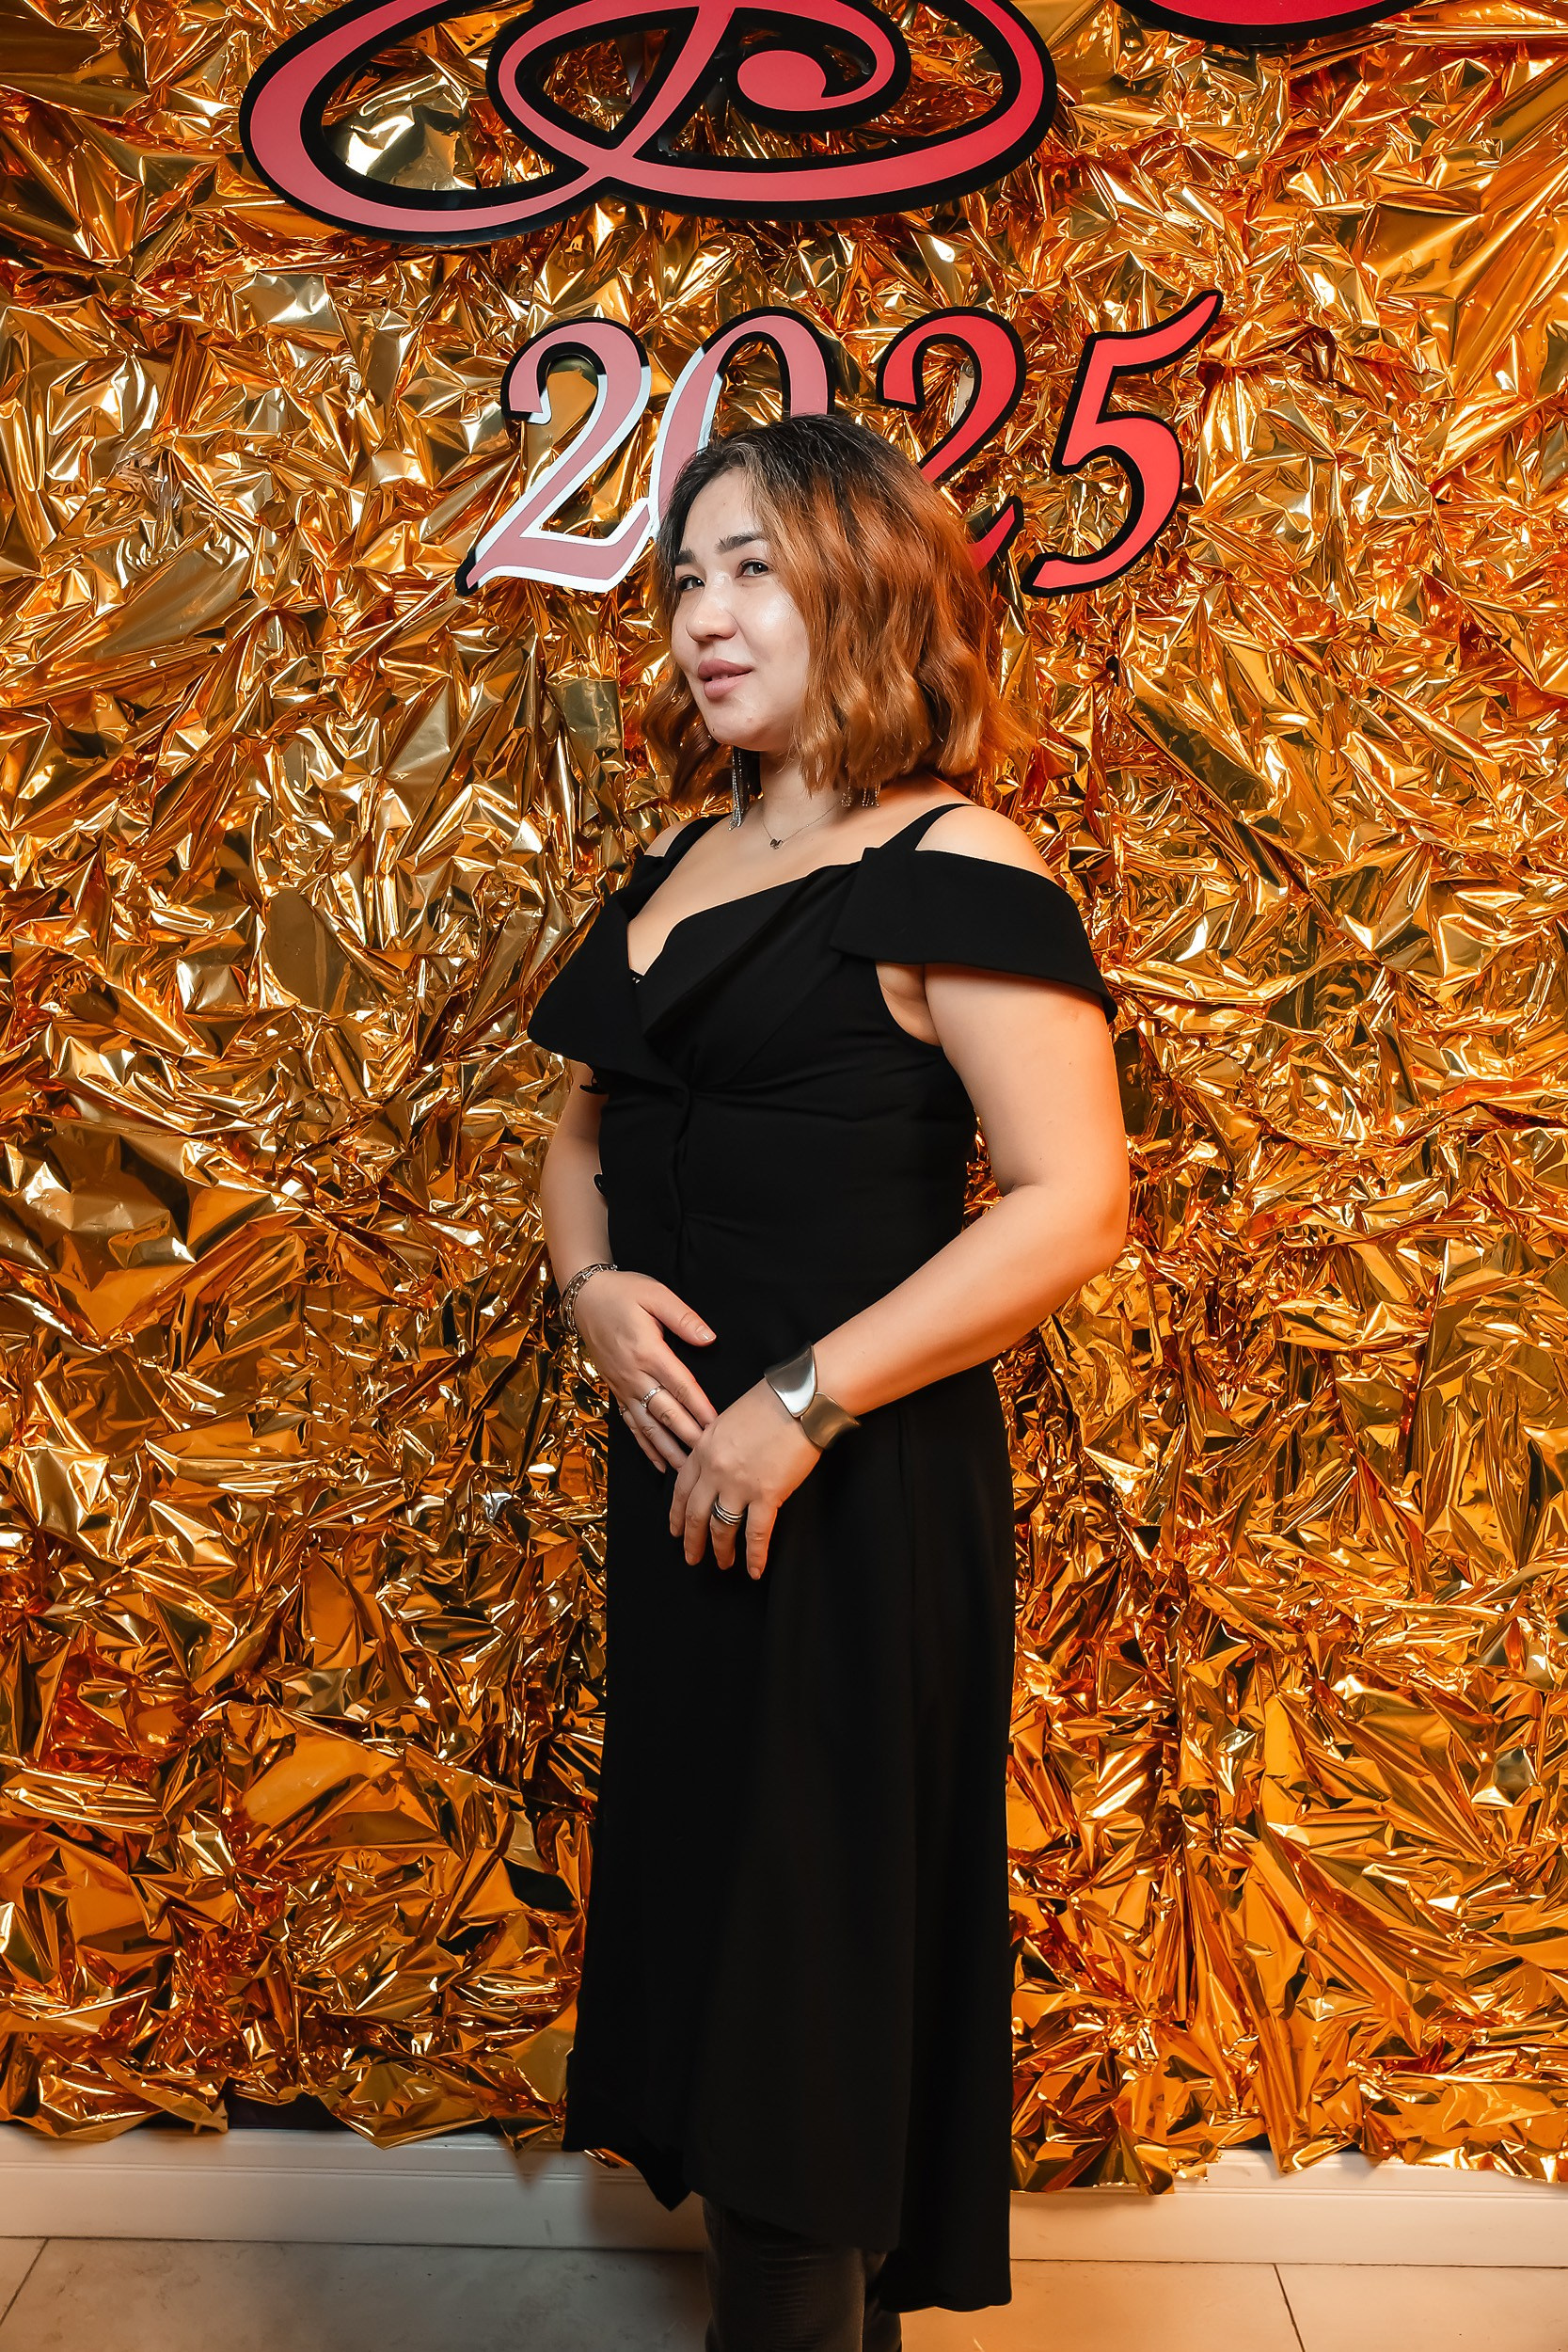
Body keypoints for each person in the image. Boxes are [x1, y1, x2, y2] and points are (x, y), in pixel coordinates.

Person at [531, 412, 1129, 2351]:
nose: (704, 617)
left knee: (807, 1983)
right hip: (678, 1493)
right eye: (686, 577)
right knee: (730, 1949)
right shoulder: (679, 860)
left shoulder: (962, 861)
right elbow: (578, 1135)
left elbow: (1074, 1202)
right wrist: (594, 1288)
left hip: (853, 1499)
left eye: (755, 572)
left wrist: (801, 1403)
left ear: (864, 591)